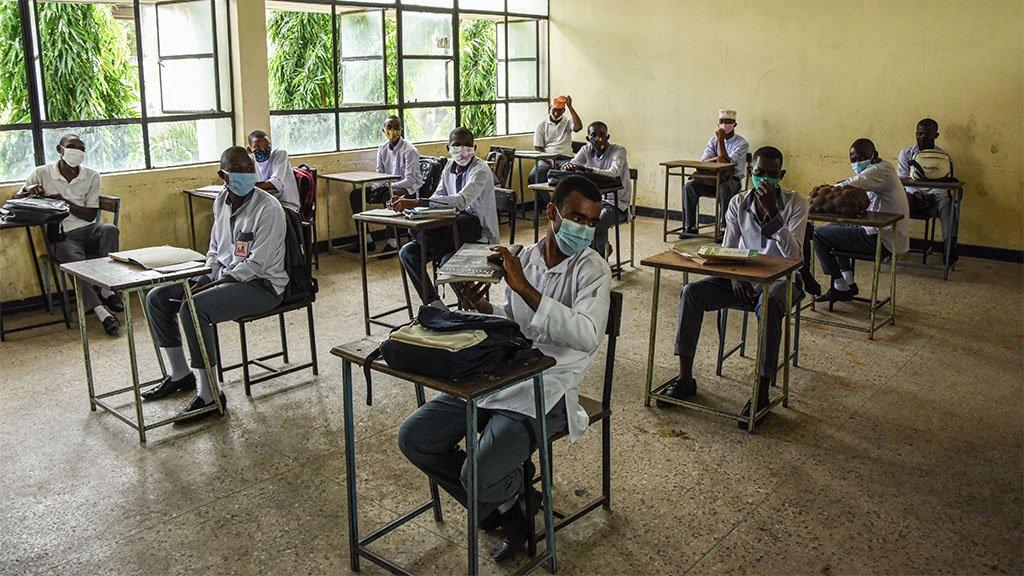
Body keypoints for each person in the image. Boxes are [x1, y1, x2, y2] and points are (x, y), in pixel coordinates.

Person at [398, 175, 611, 562]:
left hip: (552, 385)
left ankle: (500, 497)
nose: (584, 229)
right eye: (576, 217)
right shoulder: (526, 258)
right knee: (415, 437)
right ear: (552, 213)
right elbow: (515, 322)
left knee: (475, 474)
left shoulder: (593, 269)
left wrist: (526, 289)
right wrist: (485, 310)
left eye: (592, 222)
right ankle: (514, 500)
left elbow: (588, 334)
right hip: (503, 371)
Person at [659, 146, 807, 428]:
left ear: (782, 175)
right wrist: (735, 277)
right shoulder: (738, 202)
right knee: (692, 293)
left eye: (773, 175)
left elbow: (795, 256)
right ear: (751, 172)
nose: (765, 180)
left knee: (771, 304)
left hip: (781, 280)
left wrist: (774, 216)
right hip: (742, 278)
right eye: (760, 173)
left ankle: (761, 391)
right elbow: (728, 249)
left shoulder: (796, 203)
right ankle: (685, 378)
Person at [141, 147, 287, 422]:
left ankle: (210, 394)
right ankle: (180, 374)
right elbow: (215, 249)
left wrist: (211, 286)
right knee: (157, 297)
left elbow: (257, 264)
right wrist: (204, 277)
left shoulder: (268, 207)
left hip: (262, 285)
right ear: (223, 175)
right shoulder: (221, 201)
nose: (246, 175)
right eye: (239, 170)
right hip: (225, 276)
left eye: (249, 169)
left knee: (194, 308)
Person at [17, 134, 121, 336]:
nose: (77, 152)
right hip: (61, 233)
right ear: (60, 149)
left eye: (81, 149)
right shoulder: (41, 173)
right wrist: (29, 190)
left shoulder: (91, 176)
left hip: (86, 229)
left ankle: (108, 290)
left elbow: (90, 214)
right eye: (72, 147)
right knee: (75, 263)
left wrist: (63, 203)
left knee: (110, 230)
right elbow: (16, 200)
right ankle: (101, 312)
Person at [391, 127, 499, 309]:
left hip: (478, 235)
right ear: (448, 148)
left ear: (475, 147)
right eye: (457, 145)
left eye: (468, 145)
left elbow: (461, 201)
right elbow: (438, 197)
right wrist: (413, 207)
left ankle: (473, 306)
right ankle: (436, 306)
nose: (463, 150)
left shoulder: (480, 169)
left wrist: (417, 201)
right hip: (451, 233)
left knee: (449, 260)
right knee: (408, 253)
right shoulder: (449, 167)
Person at [812, 138, 910, 302]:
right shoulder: (883, 167)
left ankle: (840, 285)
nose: (857, 163)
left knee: (819, 234)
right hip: (887, 234)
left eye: (861, 158)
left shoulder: (878, 171)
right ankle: (848, 283)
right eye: (853, 160)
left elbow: (846, 186)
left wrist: (819, 195)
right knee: (835, 226)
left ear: (874, 155)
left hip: (881, 239)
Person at [348, 115, 423, 256]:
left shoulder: (410, 150)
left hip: (407, 189)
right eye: (389, 127)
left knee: (390, 195)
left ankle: (392, 241)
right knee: (356, 195)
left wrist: (387, 186)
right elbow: (379, 173)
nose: (393, 131)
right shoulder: (382, 149)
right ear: (384, 130)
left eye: (396, 127)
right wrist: (377, 186)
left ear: (401, 129)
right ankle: (366, 240)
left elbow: (410, 180)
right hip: (387, 186)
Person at [564, 121, 631, 256]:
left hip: (617, 205)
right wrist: (568, 166)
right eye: (594, 135)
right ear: (588, 138)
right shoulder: (586, 149)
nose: (598, 138)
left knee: (595, 224)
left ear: (608, 137)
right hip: (594, 203)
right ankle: (592, 253)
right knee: (571, 220)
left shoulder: (618, 151)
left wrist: (586, 169)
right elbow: (573, 164)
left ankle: (598, 262)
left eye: (602, 134)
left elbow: (613, 173)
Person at [898, 118, 957, 263]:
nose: (923, 137)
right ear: (916, 134)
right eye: (920, 134)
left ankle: (950, 249)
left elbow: (944, 183)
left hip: (934, 198)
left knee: (948, 205)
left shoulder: (943, 157)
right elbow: (903, 181)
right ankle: (890, 246)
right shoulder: (906, 154)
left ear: (936, 135)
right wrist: (916, 193)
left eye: (928, 134)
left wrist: (930, 195)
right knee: (899, 200)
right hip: (912, 197)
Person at [683, 109, 750, 236]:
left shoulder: (741, 143)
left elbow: (726, 164)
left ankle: (724, 229)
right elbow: (704, 162)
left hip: (732, 181)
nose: (725, 125)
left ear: (734, 124)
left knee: (724, 189)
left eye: (729, 122)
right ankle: (690, 226)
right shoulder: (712, 141)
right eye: (722, 122)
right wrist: (716, 158)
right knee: (689, 187)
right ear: (718, 124)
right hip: (711, 180)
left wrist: (721, 141)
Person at [528, 94, 583, 193]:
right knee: (534, 177)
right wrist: (550, 160)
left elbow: (578, 127)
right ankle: (549, 203)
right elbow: (538, 148)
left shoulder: (568, 122)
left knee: (570, 178)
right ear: (550, 108)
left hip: (566, 158)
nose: (556, 113)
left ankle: (562, 204)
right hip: (546, 159)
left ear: (564, 111)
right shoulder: (542, 125)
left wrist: (570, 107)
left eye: (560, 110)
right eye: (554, 110)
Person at [247, 130, 300, 213]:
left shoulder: (280, 154)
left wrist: (246, 187)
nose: (264, 150)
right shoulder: (251, 160)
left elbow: (275, 184)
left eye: (267, 147)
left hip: (286, 206)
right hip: (266, 205)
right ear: (250, 150)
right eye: (258, 148)